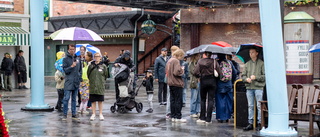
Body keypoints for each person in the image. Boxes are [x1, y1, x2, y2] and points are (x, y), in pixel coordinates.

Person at [193, 52, 222, 124]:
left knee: (202, 99)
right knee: (211, 99)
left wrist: (199, 76)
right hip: (212, 81)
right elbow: (220, 73)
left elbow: (195, 72)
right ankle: (209, 119)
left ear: (205, 54)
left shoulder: (200, 61)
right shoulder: (214, 62)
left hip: (203, 81)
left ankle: (202, 117)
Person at [242, 48, 265, 131]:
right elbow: (243, 75)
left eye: (252, 52)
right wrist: (246, 79)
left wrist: (256, 77)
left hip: (258, 87)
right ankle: (250, 123)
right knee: (250, 106)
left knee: (259, 106)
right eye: (250, 52)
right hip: (249, 87)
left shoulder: (262, 64)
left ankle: (259, 123)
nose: (250, 54)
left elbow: (264, 76)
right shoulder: (247, 64)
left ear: (257, 53)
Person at [62, 44, 82, 120]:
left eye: (73, 49)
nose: (72, 51)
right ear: (68, 50)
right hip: (68, 82)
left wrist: (79, 78)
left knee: (74, 99)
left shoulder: (78, 59)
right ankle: (65, 114)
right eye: (70, 49)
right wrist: (71, 66)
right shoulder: (65, 59)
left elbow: (80, 70)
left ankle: (74, 113)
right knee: (66, 98)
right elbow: (65, 70)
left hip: (76, 82)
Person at [166, 49, 186, 123]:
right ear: (179, 55)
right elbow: (176, 72)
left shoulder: (169, 60)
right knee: (178, 100)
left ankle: (173, 116)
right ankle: (178, 116)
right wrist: (182, 69)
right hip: (176, 83)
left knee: (172, 100)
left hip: (170, 82)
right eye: (181, 56)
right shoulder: (176, 61)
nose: (181, 58)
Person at [88, 53, 108, 121]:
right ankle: (93, 114)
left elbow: (106, 75)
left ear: (100, 57)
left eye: (98, 56)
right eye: (95, 56)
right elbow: (88, 74)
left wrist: (102, 82)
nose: (97, 58)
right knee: (93, 101)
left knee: (100, 100)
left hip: (100, 86)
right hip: (93, 85)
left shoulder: (103, 66)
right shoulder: (91, 66)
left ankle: (100, 114)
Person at [215, 54, 236, 123]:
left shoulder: (217, 63)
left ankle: (220, 117)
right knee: (228, 101)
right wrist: (231, 81)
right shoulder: (229, 62)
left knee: (220, 101)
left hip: (220, 84)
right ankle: (227, 116)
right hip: (228, 84)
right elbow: (235, 72)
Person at [166, 45, 180, 119]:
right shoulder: (174, 60)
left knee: (170, 97)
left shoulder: (168, 60)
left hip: (169, 79)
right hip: (173, 80)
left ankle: (169, 112)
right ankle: (169, 112)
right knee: (172, 98)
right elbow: (176, 72)